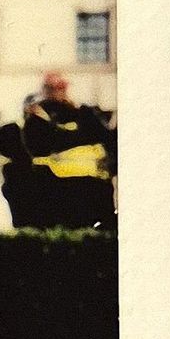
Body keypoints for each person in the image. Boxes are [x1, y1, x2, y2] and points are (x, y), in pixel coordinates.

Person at [21, 70, 116, 229]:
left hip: (94, 187)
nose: (61, 92)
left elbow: (106, 138)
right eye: (55, 88)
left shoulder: (82, 113)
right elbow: (41, 145)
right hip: (59, 189)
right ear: (46, 91)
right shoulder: (37, 119)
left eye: (62, 87)